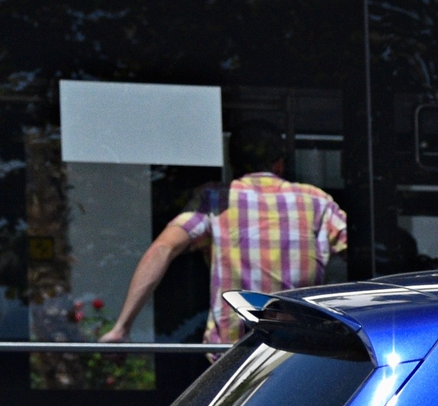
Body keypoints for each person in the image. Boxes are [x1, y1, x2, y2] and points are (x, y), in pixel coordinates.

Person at [105, 131, 346, 346]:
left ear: (232, 164)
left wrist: (122, 327)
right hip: (303, 352)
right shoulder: (317, 200)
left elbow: (163, 249)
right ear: (280, 163)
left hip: (233, 356)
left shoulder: (214, 199)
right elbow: (361, 256)